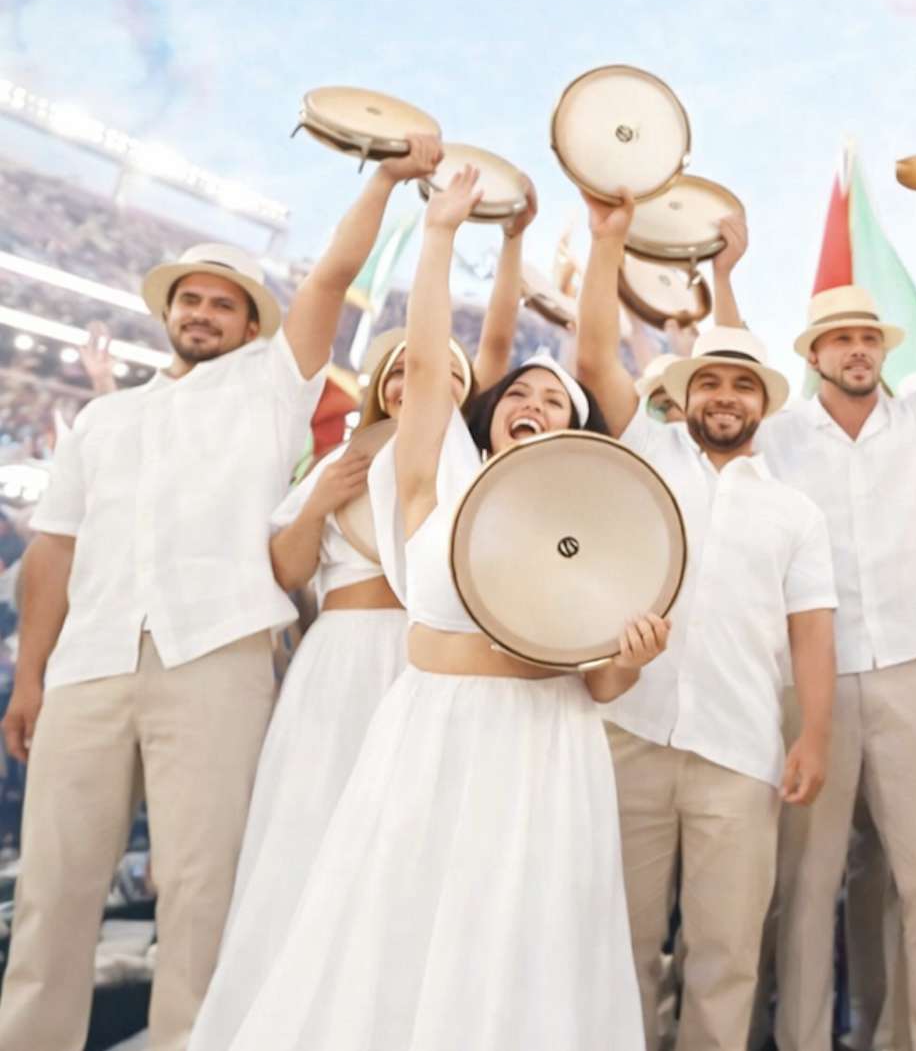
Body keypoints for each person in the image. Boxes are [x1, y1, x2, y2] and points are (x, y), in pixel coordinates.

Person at [212, 164, 670, 1051]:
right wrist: (440, 234)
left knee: (523, 951)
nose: (533, 402)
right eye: (519, 393)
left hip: (548, 751)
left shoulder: (600, 528)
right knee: (399, 943)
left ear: (576, 432)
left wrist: (632, 657)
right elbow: (426, 368)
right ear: (488, 415)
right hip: (432, 738)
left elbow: (603, 684)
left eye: (556, 400)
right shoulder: (436, 481)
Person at [0, 139, 435, 1051]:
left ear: (249, 325)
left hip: (218, 657)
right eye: (189, 300)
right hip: (89, 664)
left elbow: (332, 275)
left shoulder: (274, 389)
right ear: (168, 313)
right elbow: (53, 551)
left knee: (202, 894)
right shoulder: (102, 419)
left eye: (222, 304)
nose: (202, 313)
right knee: (52, 891)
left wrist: (387, 180)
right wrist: (31, 675)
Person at [190, 176, 534, 1048]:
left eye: (447, 374)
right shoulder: (332, 463)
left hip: (423, 666)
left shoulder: (464, 464)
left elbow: (495, 343)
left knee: (407, 850)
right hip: (337, 663)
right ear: (384, 381)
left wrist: (506, 243)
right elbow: (286, 572)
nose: (423, 381)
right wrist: (316, 503)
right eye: (408, 370)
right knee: (307, 834)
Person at [713, 191, 916, 1051]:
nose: (859, 348)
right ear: (815, 354)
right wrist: (724, 277)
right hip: (812, 684)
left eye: (869, 337)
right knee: (807, 885)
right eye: (841, 339)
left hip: (907, 678)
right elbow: (728, 360)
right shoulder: (781, 436)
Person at [576, 189, 840, 1051]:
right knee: (618, 946)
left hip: (740, 752)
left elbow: (812, 633)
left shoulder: (796, 513)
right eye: (711, 382)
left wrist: (815, 738)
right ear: (686, 396)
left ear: (763, 405)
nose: (725, 397)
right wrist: (608, 240)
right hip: (631, 736)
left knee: (725, 958)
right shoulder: (646, 452)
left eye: (742, 385)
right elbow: (593, 356)